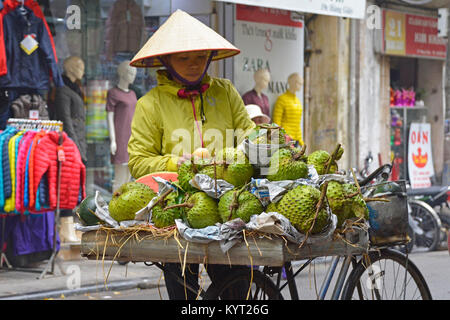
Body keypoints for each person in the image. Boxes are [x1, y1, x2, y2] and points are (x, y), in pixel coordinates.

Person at [128, 9, 255, 300]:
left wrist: (262, 142)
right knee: (183, 295)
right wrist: (177, 162)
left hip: (230, 208)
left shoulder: (226, 92)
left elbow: (248, 137)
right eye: (183, 58)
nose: (192, 65)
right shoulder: (150, 104)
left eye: (199, 57)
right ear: (166, 60)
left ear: (209, 57)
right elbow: (138, 162)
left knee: (236, 291)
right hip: (176, 211)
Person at [54, 55, 86, 243]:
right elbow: (66, 121)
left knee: (74, 188)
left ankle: (70, 227)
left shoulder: (76, 89)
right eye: (78, 65)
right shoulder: (63, 91)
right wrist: (74, 147)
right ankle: (65, 229)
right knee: (68, 187)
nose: (82, 68)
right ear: (69, 68)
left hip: (79, 143)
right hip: (70, 147)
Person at [106, 60, 137, 192]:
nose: (133, 76)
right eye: (130, 72)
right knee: (119, 178)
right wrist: (113, 140)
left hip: (132, 137)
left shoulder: (133, 94)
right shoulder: (113, 93)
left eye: (134, 73)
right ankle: (115, 207)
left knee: (129, 177)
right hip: (120, 138)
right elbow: (109, 116)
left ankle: (126, 207)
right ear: (123, 74)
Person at [272, 72, 304, 146]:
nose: (300, 86)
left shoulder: (298, 101)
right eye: (298, 83)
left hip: (296, 140)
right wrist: (280, 138)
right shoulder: (282, 99)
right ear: (292, 82)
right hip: (285, 139)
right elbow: (276, 122)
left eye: (301, 84)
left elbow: (297, 124)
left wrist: (300, 140)